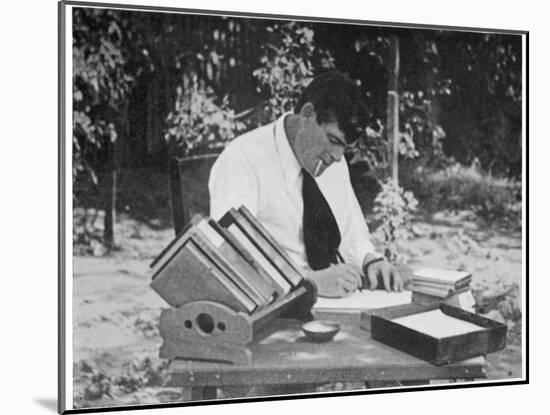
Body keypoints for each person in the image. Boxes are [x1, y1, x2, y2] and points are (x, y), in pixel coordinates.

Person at [209, 70, 403, 298]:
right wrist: (308, 282)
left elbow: (352, 232)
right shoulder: (243, 159)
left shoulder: (331, 162)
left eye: (344, 148)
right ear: (307, 114)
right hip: (274, 306)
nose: (338, 157)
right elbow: (231, 255)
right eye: (333, 140)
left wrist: (371, 261)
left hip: (334, 302)